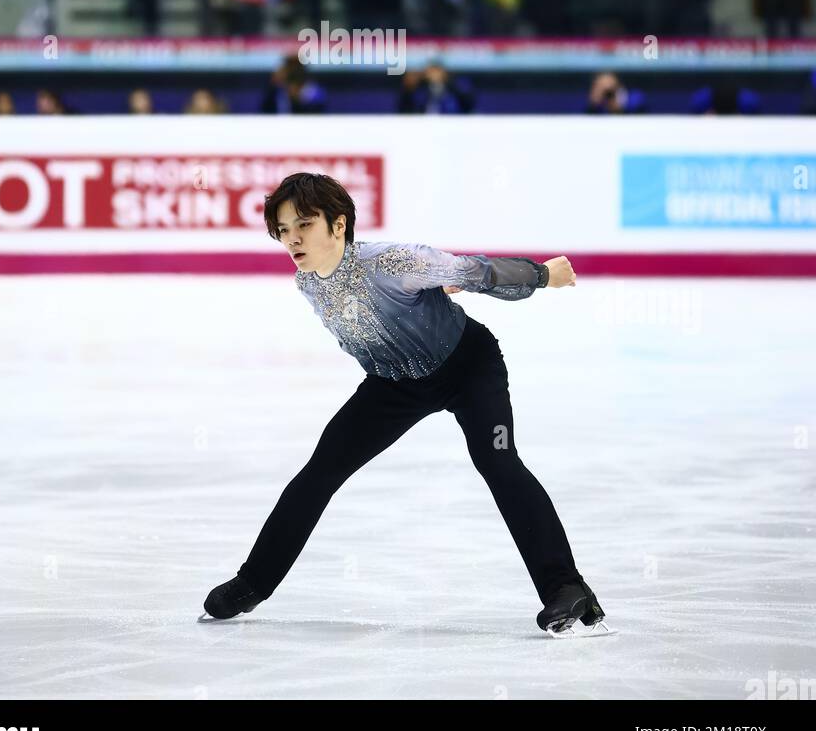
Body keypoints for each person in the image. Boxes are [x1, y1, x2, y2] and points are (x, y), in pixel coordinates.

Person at [202, 172, 606, 637]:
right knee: (319, 472)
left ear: (339, 225)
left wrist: (542, 275)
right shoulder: (307, 281)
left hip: (468, 366)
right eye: (284, 230)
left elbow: (476, 272)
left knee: (498, 463)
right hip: (393, 386)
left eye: (304, 225)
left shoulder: (393, 262)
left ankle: (565, 588)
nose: (292, 239)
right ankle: (253, 582)